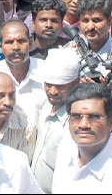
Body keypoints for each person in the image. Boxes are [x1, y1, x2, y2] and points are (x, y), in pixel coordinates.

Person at [31, 48, 80, 193]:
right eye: (48, 85)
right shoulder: (43, 106)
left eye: (60, 87)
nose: (52, 91)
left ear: (76, 83)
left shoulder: (77, 121)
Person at [0, 19, 47, 126]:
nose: (15, 47)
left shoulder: (46, 71)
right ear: (0, 47)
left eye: (21, 41)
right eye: (9, 42)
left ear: (30, 43)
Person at [0, 71, 36, 164]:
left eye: (11, 95)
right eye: (0, 96)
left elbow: (23, 168)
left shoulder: (25, 125)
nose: (8, 102)